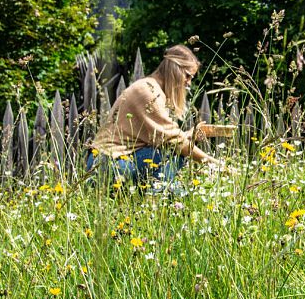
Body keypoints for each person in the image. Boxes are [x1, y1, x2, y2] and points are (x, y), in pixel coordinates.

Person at [86, 44, 219, 192]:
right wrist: (213, 163)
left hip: (110, 162)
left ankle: (166, 192)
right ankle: (159, 193)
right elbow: (174, 142)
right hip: (107, 165)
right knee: (175, 152)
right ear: (175, 69)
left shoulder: (150, 87)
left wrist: (189, 135)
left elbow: (160, 136)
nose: (188, 83)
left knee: (174, 153)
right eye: (187, 75)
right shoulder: (149, 92)